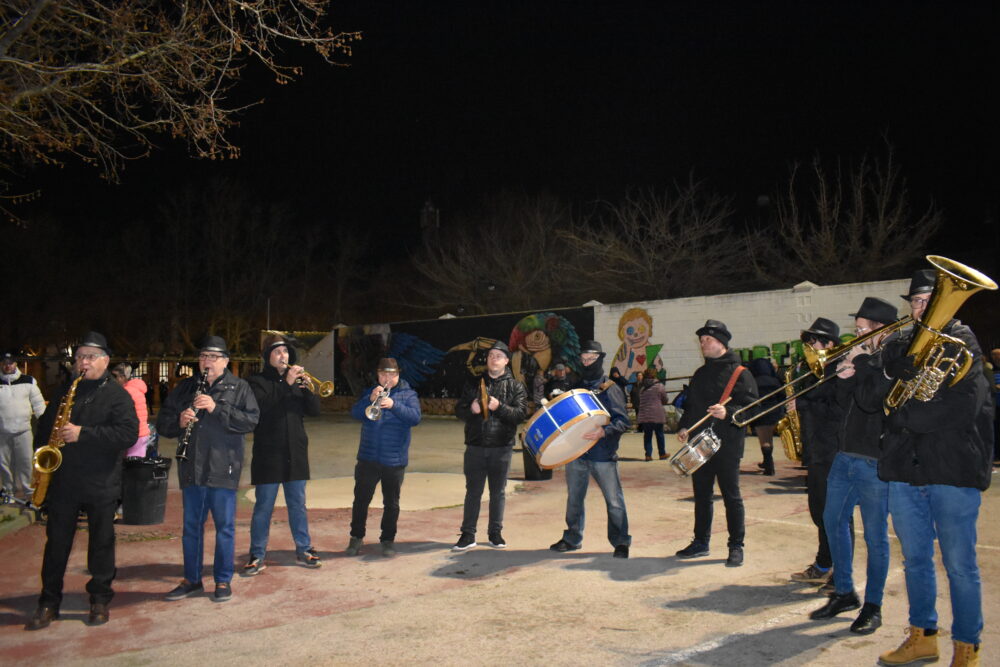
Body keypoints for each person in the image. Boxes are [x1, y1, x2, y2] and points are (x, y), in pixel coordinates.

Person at [862, 269, 994, 666]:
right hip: (905, 469)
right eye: (917, 302)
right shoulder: (901, 344)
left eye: (928, 300)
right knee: (915, 560)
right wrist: (889, 372)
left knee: (959, 565)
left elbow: (962, 407)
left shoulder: (963, 344)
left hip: (951, 469)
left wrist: (905, 416)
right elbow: (873, 401)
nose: (921, 309)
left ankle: (967, 647)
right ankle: (923, 636)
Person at [25, 332, 138, 630]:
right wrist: (42, 460)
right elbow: (45, 429)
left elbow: (128, 434)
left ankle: (99, 599)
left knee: (101, 543)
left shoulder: (117, 396)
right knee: (56, 544)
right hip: (64, 481)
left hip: (101, 481)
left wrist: (83, 434)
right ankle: (48, 601)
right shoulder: (65, 391)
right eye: (79, 357)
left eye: (89, 357)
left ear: (105, 360)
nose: (82, 363)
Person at [808, 298, 898, 634]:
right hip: (844, 454)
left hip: (874, 459)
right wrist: (845, 377)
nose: (856, 336)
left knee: (875, 536)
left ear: (880, 329)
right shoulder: (865, 358)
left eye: (861, 330)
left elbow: (874, 402)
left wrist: (861, 363)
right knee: (833, 521)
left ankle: (874, 605)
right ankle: (845, 592)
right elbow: (848, 404)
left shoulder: (893, 357)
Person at [158, 336, 259, 603]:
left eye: (213, 357)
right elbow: (164, 423)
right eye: (203, 356)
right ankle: (191, 579)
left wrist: (216, 408)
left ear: (225, 361)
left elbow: (250, 421)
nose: (207, 361)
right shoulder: (185, 387)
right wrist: (179, 421)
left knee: (225, 527)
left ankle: (223, 580)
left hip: (224, 467)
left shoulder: (240, 387)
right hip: (192, 466)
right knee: (191, 527)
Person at [674, 320, 758, 567]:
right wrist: (684, 426)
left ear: (721, 342)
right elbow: (691, 406)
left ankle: (736, 546)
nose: (702, 344)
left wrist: (728, 412)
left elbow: (753, 408)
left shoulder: (740, 373)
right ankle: (701, 542)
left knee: (731, 496)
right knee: (701, 495)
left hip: (727, 444)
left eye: (707, 340)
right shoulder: (700, 373)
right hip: (699, 444)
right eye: (701, 340)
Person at [242, 335, 322, 576]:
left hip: (295, 451)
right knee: (263, 506)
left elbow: (315, 411)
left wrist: (307, 390)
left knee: (298, 504)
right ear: (268, 357)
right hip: (268, 454)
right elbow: (261, 407)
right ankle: (257, 554)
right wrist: (286, 383)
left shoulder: (297, 382)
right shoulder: (256, 382)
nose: (282, 356)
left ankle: (304, 548)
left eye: (285, 352)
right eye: (277, 352)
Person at [549, 341, 632, 557]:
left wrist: (604, 432)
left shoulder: (611, 388)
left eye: (591, 359)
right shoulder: (575, 387)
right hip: (576, 453)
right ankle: (572, 538)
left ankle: (621, 542)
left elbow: (623, 421)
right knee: (574, 500)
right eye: (584, 359)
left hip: (602, 454)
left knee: (614, 501)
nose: (587, 363)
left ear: (600, 359)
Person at [452, 340, 528, 551]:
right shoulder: (474, 383)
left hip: (501, 447)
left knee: (498, 492)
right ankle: (468, 534)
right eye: (491, 355)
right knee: (473, 492)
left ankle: (495, 533)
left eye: (498, 356)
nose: (494, 359)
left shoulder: (516, 386)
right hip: (475, 446)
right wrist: (471, 409)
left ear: (506, 361)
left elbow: (520, 415)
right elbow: (459, 411)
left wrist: (499, 407)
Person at [787, 318, 845, 586]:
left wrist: (802, 403)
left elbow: (837, 409)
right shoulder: (816, 371)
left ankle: (841, 573)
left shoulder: (840, 371)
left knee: (836, 515)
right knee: (820, 512)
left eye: (814, 342)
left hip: (833, 451)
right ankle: (823, 563)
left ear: (830, 344)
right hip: (817, 451)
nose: (809, 347)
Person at [345, 357, 421, 557]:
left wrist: (394, 405)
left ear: (398, 375)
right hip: (367, 458)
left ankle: (387, 540)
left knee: (391, 504)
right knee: (361, 500)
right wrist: (369, 400)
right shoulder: (371, 392)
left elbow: (415, 418)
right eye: (383, 374)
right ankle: (356, 537)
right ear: (378, 375)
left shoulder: (408, 394)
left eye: (391, 374)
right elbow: (355, 413)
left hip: (394, 461)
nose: (387, 378)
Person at [1, 350, 46, 502]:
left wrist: (44, 421)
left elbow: (38, 404)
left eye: (10, 363)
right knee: (4, 464)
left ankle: (28, 491)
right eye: (4, 363)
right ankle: (8, 492)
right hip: (2, 431)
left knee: (26, 462)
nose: (8, 366)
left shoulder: (28, 381)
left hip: (24, 430)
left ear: (16, 364)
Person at [746, 357, 783, 476]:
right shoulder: (775, 380)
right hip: (773, 412)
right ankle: (767, 462)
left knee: (764, 440)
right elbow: (782, 396)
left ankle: (769, 465)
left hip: (759, 413)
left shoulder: (753, 381)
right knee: (769, 439)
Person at [111, 363, 151, 458]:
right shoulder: (135, 389)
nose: (113, 380)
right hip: (141, 433)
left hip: (133, 434)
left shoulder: (126, 392)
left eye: (115, 376)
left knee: (131, 464)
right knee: (135, 462)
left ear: (123, 377)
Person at [636, 367, 669, 461]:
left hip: (646, 415)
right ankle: (662, 454)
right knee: (660, 434)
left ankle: (648, 455)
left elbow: (640, 400)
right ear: (654, 375)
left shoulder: (642, 388)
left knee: (647, 436)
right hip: (657, 413)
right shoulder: (659, 386)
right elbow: (665, 399)